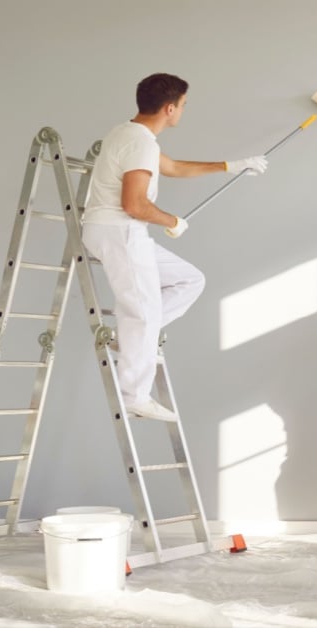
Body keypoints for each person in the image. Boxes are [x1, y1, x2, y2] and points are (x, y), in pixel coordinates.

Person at [82, 72, 268, 421]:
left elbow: (171, 167)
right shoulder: (139, 143)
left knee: (189, 280)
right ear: (170, 108)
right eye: (183, 105)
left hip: (121, 232)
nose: (184, 109)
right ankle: (134, 395)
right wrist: (172, 221)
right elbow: (134, 205)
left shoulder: (131, 134)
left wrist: (231, 166)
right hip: (120, 231)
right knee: (141, 311)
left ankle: (133, 339)